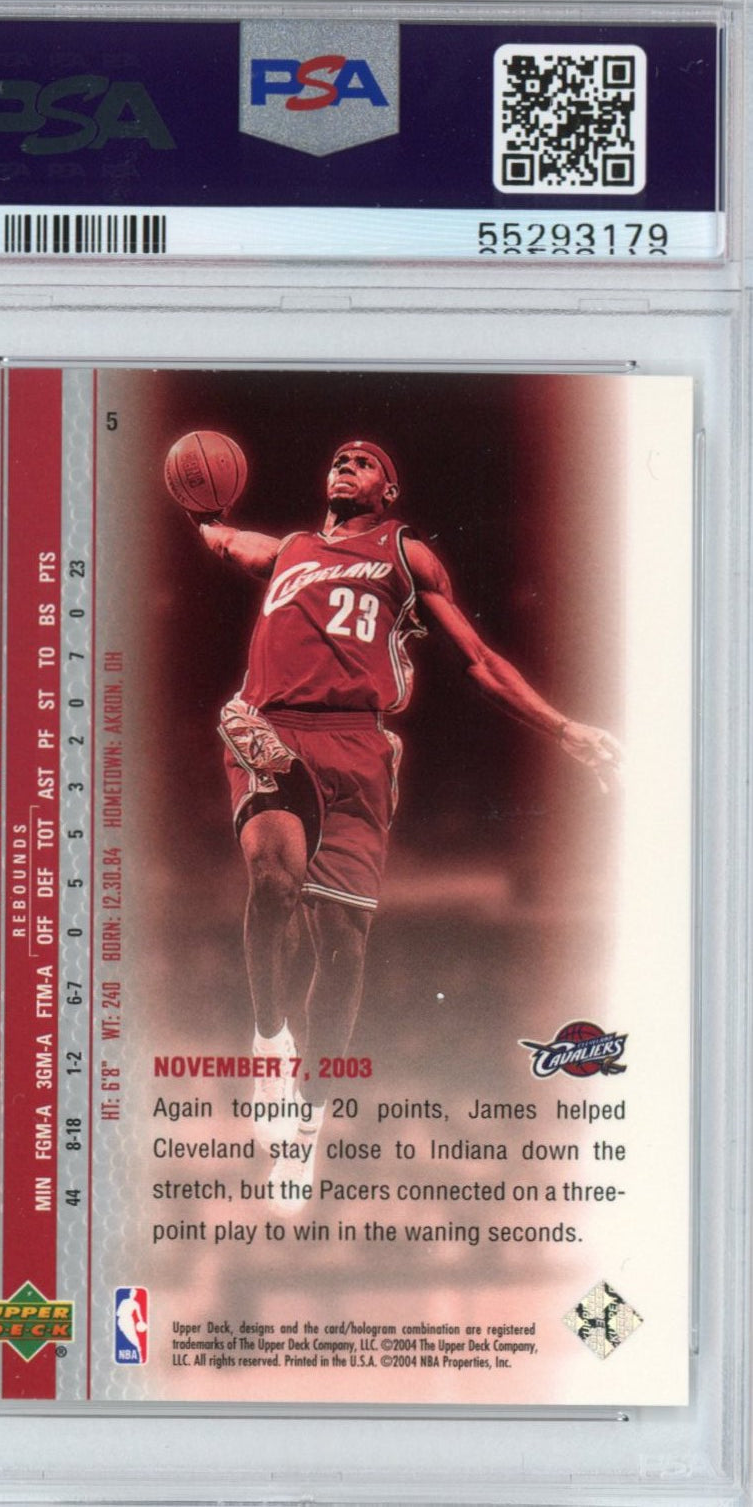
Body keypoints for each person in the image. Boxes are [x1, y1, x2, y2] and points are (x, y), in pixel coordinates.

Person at [199, 440, 621, 1214]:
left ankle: (306, 1127)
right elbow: (227, 540)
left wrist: (564, 729)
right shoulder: (290, 549)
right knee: (274, 878)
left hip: (359, 743)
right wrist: (201, 509)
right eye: (339, 457)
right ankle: (268, 1041)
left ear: (387, 491)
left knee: (343, 949)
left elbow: (480, 659)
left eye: (365, 462)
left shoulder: (405, 554)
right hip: (270, 725)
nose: (346, 463)